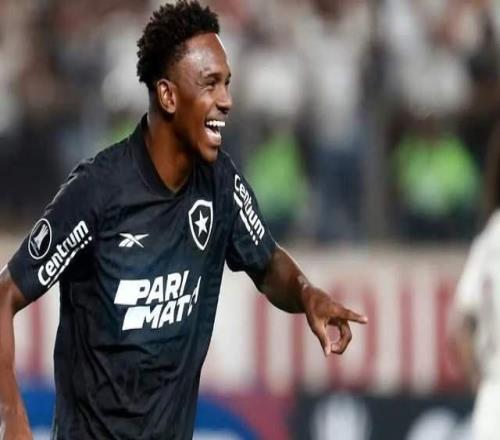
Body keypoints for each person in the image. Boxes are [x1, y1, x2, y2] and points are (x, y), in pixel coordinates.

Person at [0, 2, 367, 439]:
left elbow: (267, 263)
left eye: (227, 84)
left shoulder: (219, 182)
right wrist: (12, 417)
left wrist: (306, 294)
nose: (226, 101)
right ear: (168, 96)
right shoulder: (97, 192)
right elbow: (5, 295)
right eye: (210, 84)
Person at [449, 123, 500, 440]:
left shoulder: (489, 239)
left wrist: (479, 382)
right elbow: (460, 328)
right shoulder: (491, 240)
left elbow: (459, 327)